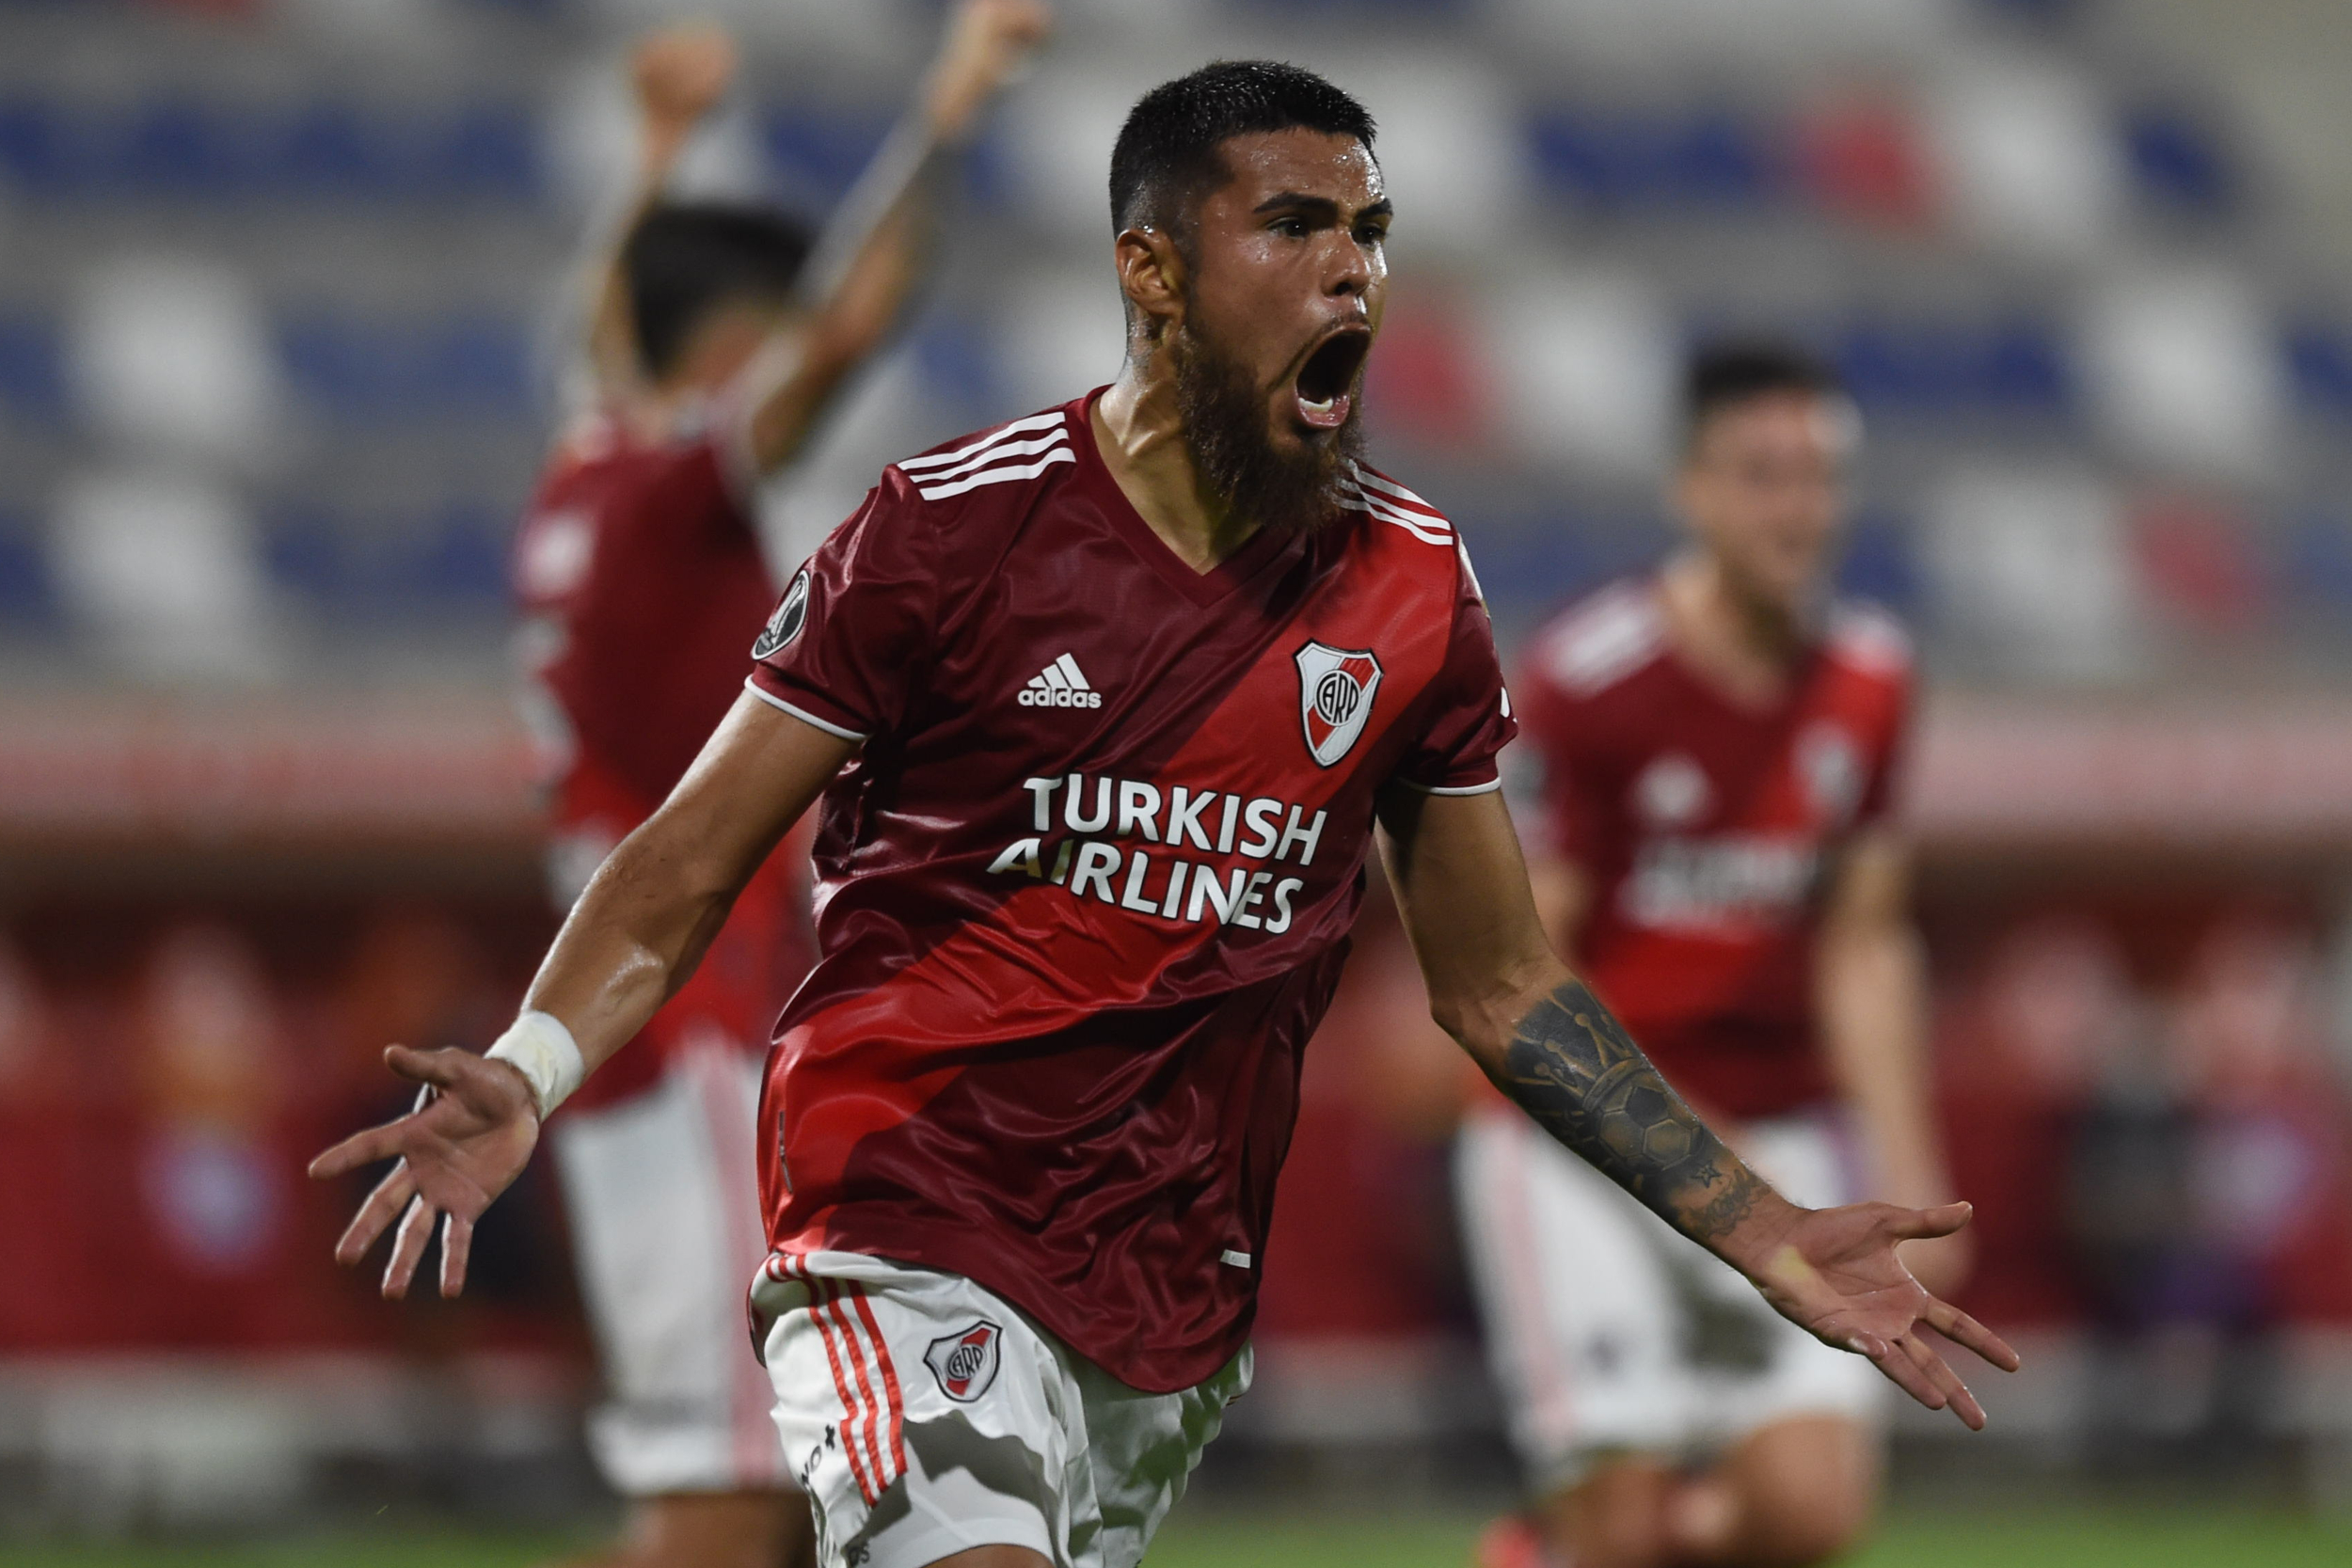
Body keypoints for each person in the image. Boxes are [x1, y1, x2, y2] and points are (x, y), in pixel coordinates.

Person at [315, 64, 2016, 1568]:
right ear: (1152, 271)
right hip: (904, 1208)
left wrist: (1764, 1228)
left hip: (1166, 1298)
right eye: (1296, 224)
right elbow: (689, 858)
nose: (1355, 263)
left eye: (1372, 227)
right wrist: (532, 1069)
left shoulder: (1413, 589)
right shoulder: (946, 532)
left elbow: (1501, 985)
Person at [507, 8, 1047, 1566]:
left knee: (759, 1488)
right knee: (728, 1505)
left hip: (638, 1019)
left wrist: (659, 156)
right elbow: (853, 322)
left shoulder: (583, 467)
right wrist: (949, 110)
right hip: (694, 1030)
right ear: (727, 346)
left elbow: (613, 336)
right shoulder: (683, 489)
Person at [1458, 342, 1958, 1568]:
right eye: (1763, 475)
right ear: (1692, 491)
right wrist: (1681, 1141)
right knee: (1619, 1530)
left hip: (1783, 1135)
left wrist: (1910, 1156)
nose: (1797, 509)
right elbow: (1532, 963)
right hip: (1595, 1145)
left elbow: (1863, 941)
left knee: (1808, 1512)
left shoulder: (1873, 679)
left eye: (1818, 477)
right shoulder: (1593, 678)